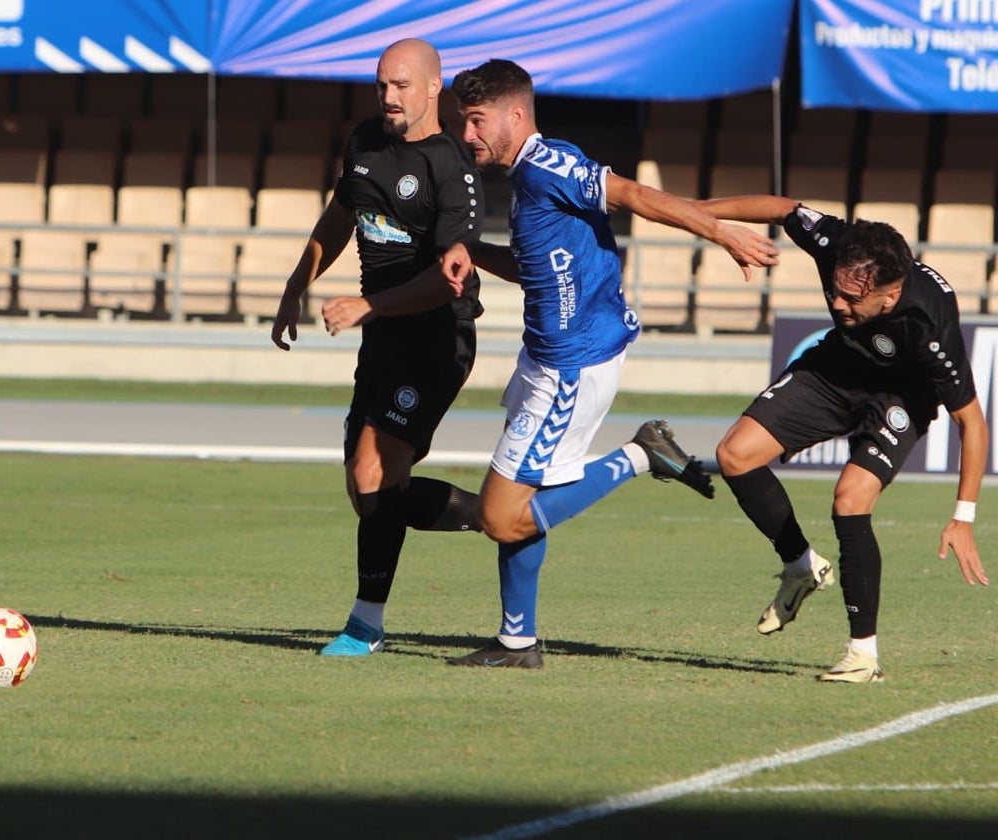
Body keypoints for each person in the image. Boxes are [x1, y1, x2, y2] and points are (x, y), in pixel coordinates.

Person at [434, 59, 780, 667]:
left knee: (498, 515)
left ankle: (642, 454)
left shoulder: (548, 166)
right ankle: (517, 642)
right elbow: (539, 265)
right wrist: (474, 252)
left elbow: (639, 197)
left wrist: (721, 233)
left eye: (477, 121)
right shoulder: (530, 179)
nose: (468, 136)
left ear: (516, 115)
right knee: (521, 506)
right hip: (548, 358)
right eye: (465, 122)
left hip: (571, 367)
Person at [698, 195, 989, 683]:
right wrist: (693, 212)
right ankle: (799, 565)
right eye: (836, 291)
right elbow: (783, 208)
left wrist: (963, 517)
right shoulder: (839, 243)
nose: (837, 303)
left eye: (852, 299)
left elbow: (972, 423)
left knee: (850, 499)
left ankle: (862, 655)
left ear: (889, 297)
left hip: (900, 395)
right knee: (735, 455)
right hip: (834, 370)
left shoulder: (929, 321)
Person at [270, 38, 488, 657]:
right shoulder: (365, 141)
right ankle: (499, 518)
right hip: (385, 337)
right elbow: (342, 216)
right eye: (381, 86)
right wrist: (296, 285)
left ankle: (365, 625)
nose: (389, 97)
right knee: (366, 492)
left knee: (376, 468)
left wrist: (369, 304)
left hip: (437, 337)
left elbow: (450, 276)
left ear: (432, 88)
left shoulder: (451, 167)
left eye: (401, 86)